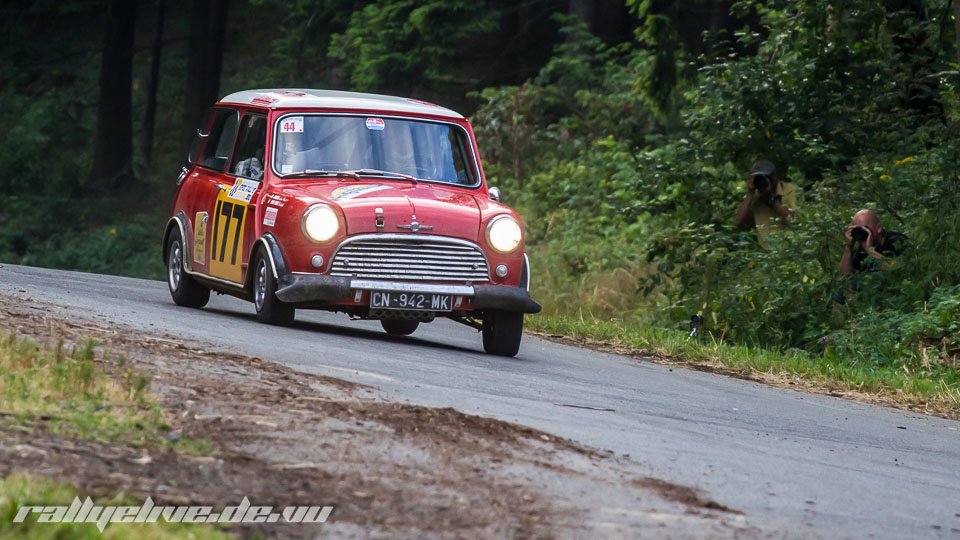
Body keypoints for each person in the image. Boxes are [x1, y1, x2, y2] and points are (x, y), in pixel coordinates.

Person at [734, 160, 799, 238]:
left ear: (774, 176)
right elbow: (738, 221)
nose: (763, 181)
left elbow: (793, 219)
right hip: (765, 248)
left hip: (789, 247)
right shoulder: (755, 195)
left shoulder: (790, 190)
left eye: (765, 177)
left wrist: (771, 199)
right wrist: (750, 193)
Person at [838, 209, 906, 276]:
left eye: (865, 229)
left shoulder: (896, 241)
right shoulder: (862, 250)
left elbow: (900, 270)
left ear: (879, 228)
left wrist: (871, 251)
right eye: (857, 230)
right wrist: (848, 248)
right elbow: (845, 278)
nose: (861, 233)